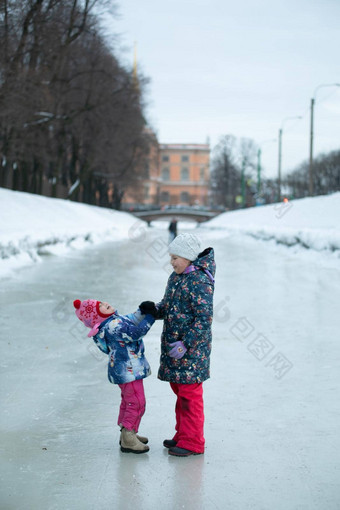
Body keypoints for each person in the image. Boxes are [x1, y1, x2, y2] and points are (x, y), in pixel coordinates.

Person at [140, 232, 215, 457]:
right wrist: (155, 309)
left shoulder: (200, 281)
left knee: (190, 396)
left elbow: (204, 319)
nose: (172, 262)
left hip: (192, 353)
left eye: (176, 257)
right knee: (180, 393)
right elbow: (168, 305)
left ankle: (193, 442)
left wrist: (187, 344)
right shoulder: (176, 278)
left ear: (189, 257)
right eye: (171, 257)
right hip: (175, 348)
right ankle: (183, 434)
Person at [73, 298, 155, 454]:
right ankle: (128, 436)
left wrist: (141, 311)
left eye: (102, 303)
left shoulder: (111, 322)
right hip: (128, 370)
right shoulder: (113, 326)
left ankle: (128, 432)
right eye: (100, 307)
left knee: (128, 401)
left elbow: (129, 319)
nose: (105, 304)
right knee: (137, 402)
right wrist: (150, 317)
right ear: (96, 317)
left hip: (124, 371)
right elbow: (136, 332)